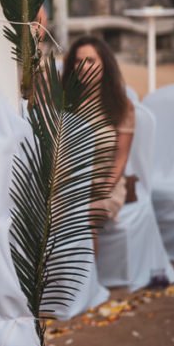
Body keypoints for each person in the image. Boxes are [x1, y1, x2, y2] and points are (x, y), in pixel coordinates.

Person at [62, 36, 135, 224]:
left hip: (106, 187)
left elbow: (121, 159)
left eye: (91, 61)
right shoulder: (65, 102)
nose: (83, 66)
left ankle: (90, 255)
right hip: (69, 185)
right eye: (78, 61)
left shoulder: (121, 106)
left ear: (105, 65)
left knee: (86, 216)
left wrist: (101, 194)